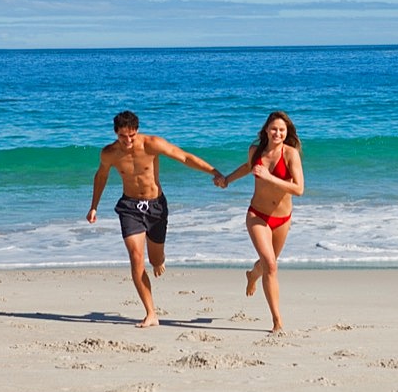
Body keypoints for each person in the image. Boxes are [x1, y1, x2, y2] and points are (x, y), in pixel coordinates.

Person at [87, 110, 225, 328]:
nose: (128, 141)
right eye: (123, 136)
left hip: (156, 206)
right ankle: (151, 313)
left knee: (155, 258)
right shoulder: (109, 153)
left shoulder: (152, 144)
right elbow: (101, 176)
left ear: (137, 131)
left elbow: (184, 157)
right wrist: (93, 207)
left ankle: (159, 260)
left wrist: (213, 171)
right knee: (135, 256)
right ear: (115, 133)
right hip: (130, 207)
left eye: (132, 135)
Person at [219, 111, 304, 333]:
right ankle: (277, 321)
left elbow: (299, 189)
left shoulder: (290, 154)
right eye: (274, 129)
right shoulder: (255, 151)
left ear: (287, 133)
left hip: (283, 218)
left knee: (267, 264)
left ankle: (252, 275)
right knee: (272, 265)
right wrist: (227, 179)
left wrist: (269, 177)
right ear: (266, 130)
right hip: (257, 214)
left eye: (282, 130)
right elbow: (248, 167)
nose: (278, 133)